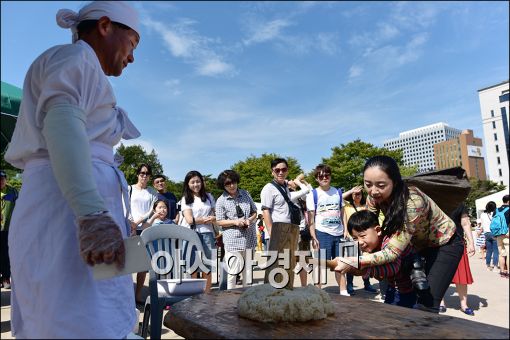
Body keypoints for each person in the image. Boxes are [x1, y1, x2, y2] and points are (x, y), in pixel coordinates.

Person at [3, 1, 141, 337]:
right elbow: (63, 124)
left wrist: (110, 221)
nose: (132, 57)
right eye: (132, 44)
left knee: (104, 314)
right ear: (105, 26)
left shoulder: (84, 67)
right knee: (72, 323)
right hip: (70, 211)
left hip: (83, 208)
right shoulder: (75, 58)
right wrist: (91, 213)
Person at [331, 156, 464, 313]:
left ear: (394, 181)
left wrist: (356, 262)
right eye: (368, 185)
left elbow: (392, 253)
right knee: (406, 296)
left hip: (445, 244)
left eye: (381, 185)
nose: (373, 191)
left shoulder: (412, 201)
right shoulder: (374, 198)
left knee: (426, 304)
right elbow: (367, 226)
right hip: (416, 246)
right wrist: (360, 257)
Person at [347, 210, 416, 308]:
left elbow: (394, 267)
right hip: (394, 287)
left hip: (411, 289)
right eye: (355, 238)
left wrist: (366, 270)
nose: (359, 242)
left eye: (362, 236)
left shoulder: (389, 242)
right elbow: (380, 277)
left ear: (378, 230)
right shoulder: (370, 247)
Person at [306, 164, 357, 296]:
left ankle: (343, 290)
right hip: (322, 233)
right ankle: (318, 291)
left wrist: (345, 229)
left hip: (338, 232)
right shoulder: (313, 194)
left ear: (330, 176)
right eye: (321, 176)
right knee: (320, 263)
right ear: (317, 178)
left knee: (340, 263)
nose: (324, 178)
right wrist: (313, 236)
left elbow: (342, 212)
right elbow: (310, 219)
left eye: (326, 175)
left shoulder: (337, 192)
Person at [260, 158, 300, 288]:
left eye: (284, 169)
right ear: (272, 172)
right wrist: (272, 232)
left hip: (288, 231)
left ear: (287, 171)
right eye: (277, 170)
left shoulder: (285, 187)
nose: (280, 172)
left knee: (287, 266)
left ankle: (284, 294)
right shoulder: (268, 188)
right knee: (275, 268)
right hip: (277, 232)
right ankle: (270, 296)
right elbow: (266, 210)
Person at [215, 170, 257, 290]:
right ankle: (231, 300)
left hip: (249, 237)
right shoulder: (221, 200)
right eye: (227, 184)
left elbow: (254, 211)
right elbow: (219, 221)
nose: (231, 186)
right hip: (232, 239)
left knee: (248, 272)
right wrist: (235, 222)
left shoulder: (245, 194)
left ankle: (248, 299)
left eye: (233, 182)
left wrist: (249, 219)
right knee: (233, 272)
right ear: (223, 185)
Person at [180, 170, 216, 292]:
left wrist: (211, 217)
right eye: (193, 182)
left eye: (198, 181)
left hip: (208, 233)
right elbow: (190, 220)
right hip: (191, 234)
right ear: (188, 184)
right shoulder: (185, 199)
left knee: (207, 266)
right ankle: (193, 295)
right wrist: (206, 219)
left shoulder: (209, 197)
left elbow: (214, 213)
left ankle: (207, 294)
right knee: (192, 266)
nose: (196, 184)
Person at [129, 163, 158, 304]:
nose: (144, 176)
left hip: (146, 227)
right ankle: (127, 295)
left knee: (143, 265)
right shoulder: (129, 189)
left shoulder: (152, 192)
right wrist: (130, 223)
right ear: (137, 174)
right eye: (142, 173)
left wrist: (139, 221)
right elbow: (125, 206)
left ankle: (137, 294)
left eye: (147, 173)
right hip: (130, 228)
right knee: (128, 264)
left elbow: (152, 210)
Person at [440, 204, 475, 315]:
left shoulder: (460, 203)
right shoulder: (435, 199)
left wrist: (471, 242)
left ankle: (464, 304)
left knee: (462, 275)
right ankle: (440, 302)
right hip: (437, 242)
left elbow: (465, 223)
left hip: (457, 242)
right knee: (439, 274)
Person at [342, 185, 377, 295]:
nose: (357, 196)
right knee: (352, 262)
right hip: (350, 238)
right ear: (351, 196)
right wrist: (351, 190)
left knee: (365, 261)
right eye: (355, 194)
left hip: (364, 239)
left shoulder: (365, 206)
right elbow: (339, 198)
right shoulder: (347, 206)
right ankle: (350, 285)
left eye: (359, 194)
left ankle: (367, 284)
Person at [1, 170, 17, 289]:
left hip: (8, 228)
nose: (0, 181)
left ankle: (6, 278)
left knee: (6, 254)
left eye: (2, 178)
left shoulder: (13, 192)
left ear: (6, 179)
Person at [494, 195, 509, 278]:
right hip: (507, 233)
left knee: (501, 254)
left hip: (499, 233)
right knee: (509, 253)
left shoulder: (496, 210)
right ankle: (508, 272)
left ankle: (502, 272)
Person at [481, 201, 499, 271]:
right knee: (496, 250)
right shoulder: (495, 214)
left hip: (486, 233)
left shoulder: (482, 214)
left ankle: (488, 266)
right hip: (494, 233)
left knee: (489, 250)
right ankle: (495, 266)